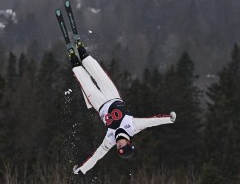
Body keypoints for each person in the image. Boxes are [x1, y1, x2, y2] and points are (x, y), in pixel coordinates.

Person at [69, 42, 176, 175]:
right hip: (112, 96)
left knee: (86, 83)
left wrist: (82, 170)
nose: (119, 145)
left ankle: (74, 61)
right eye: (122, 146)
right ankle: (82, 53)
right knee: (98, 74)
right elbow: (151, 121)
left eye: (118, 147)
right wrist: (169, 119)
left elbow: (97, 156)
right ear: (128, 142)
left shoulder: (110, 140)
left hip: (99, 104)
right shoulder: (133, 127)